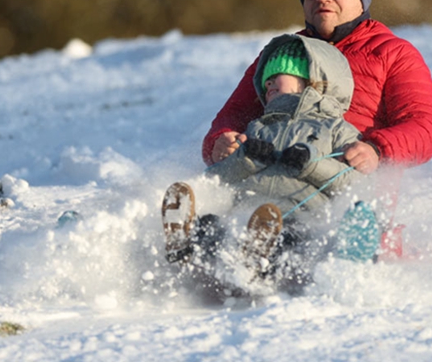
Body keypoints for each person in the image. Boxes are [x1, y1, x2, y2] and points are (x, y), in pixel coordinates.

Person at [201, 0, 432, 254]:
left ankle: (355, 251)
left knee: (326, 231)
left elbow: (422, 128)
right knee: (232, 215)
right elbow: (231, 116)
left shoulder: (393, 54)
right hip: (269, 185)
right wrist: (221, 140)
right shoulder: (283, 52)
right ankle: (204, 248)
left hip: (342, 189)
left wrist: (376, 149)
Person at [162, 34, 380, 285]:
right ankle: (185, 249)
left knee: (289, 239)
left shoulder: (337, 130)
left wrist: (312, 165)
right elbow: (216, 179)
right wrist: (245, 160)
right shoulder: (258, 127)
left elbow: (353, 183)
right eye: (267, 82)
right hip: (246, 215)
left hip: (299, 218)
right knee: (212, 226)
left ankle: (256, 260)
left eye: (279, 76)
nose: (270, 85)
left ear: (313, 81)